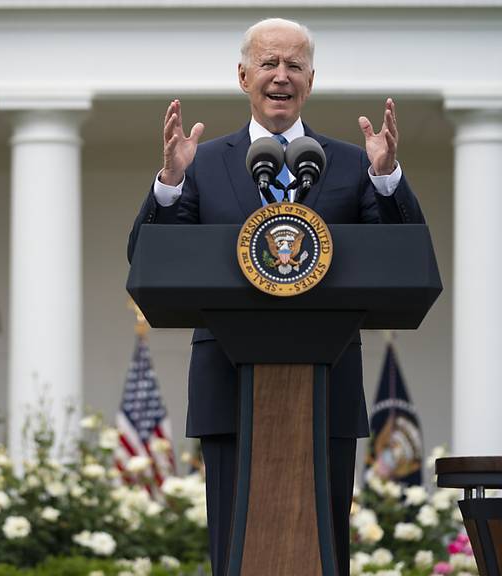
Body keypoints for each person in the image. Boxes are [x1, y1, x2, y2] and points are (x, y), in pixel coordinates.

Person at [128, 18, 424, 576]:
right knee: (234, 547)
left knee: (325, 543)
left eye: (294, 66)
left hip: (327, 385)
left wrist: (386, 179)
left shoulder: (353, 161)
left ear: (312, 80)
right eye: (269, 64)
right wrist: (169, 185)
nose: (281, 76)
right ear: (243, 75)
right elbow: (149, 259)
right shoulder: (203, 162)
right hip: (228, 386)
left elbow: (398, 252)